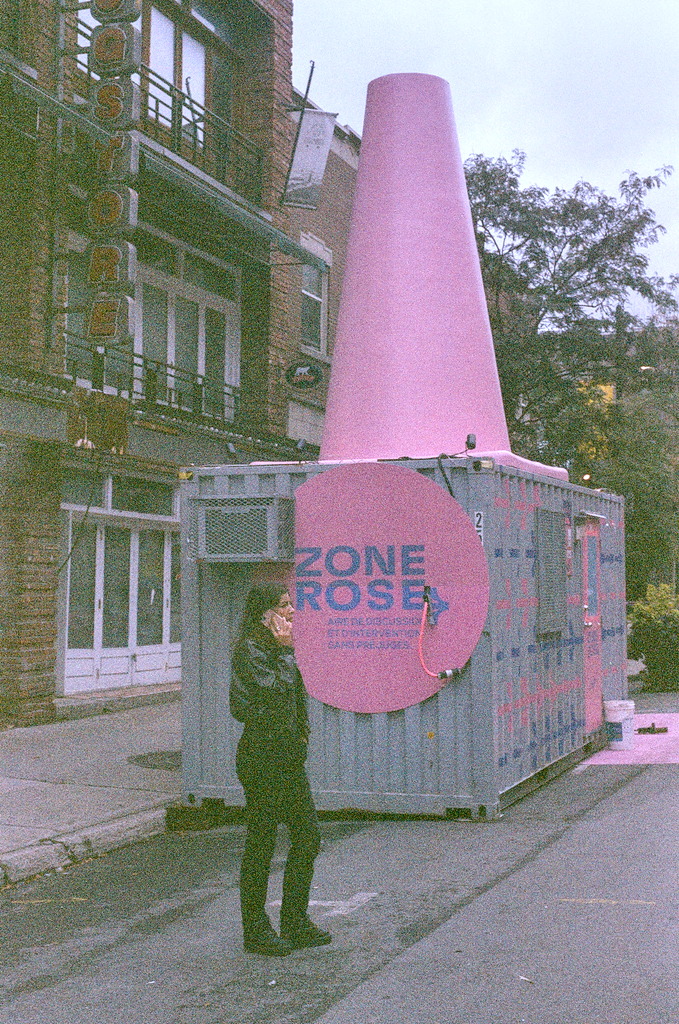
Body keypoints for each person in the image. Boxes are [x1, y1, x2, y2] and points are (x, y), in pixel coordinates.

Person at [230, 582, 331, 957]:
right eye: (284, 605)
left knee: (308, 836)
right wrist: (287, 653)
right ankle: (255, 930)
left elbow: (294, 700)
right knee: (262, 843)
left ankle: (294, 921)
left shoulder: (279, 650)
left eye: (291, 604)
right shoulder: (250, 651)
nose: (292, 611)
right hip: (261, 758)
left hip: (287, 756)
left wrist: (303, 735)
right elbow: (268, 696)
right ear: (265, 614)